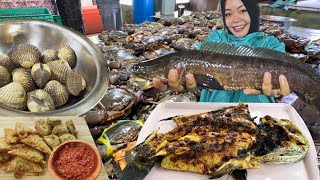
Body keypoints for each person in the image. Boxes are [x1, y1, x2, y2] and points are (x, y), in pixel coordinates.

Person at [153, 0, 291, 103]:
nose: (236, 19)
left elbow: (285, 75)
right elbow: (195, 63)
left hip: (257, 113)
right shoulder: (215, 39)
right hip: (212, 112)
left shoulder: (271, 45)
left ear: (254, 13)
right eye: (228, 14)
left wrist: (280, 90)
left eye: (243, 10)